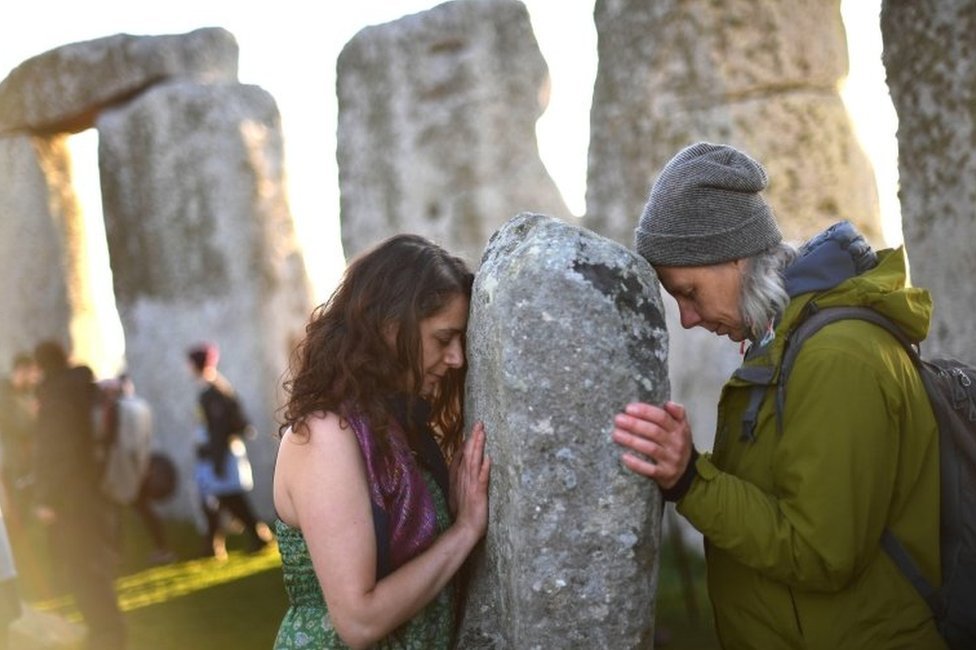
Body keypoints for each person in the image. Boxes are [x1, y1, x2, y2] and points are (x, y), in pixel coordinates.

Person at [611, 142, 945, 648]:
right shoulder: (784, 348)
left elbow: (821, 552)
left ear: (733, 257)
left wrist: (691, 481)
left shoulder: (837, 359)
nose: (688, 318)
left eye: (688, 292)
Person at [272, 233, 491, 649]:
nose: (456, 358)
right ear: (390, 329)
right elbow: (360, 621)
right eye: (443, 339)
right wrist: (464, 530)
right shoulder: (326, 436)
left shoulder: (395, 428)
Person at [32, 340, 126, 650]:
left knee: (83, 569)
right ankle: (107, 631)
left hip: (73, 497)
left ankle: (106, 635)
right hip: (96, 489)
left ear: (40, 366)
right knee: (93, 565)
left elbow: (57, 451)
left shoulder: (57, 396)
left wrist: (46, 498)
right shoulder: (84, 388)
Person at [186, 342, 272, 558]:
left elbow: (219, 430)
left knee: (230, 499)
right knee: (217, 500)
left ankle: (257, 536)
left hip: (221, 455)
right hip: (216, 455)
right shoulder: (213, 388)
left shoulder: (213, 392)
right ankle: (215, 545)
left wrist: (217, 461)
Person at [96, 374, 176, 565]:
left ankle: (117, 554)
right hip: (137, 465)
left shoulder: (123, 409)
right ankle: (159, 549)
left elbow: (123, 441)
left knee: (122, 510)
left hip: (126, 468)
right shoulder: (139, 406)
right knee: (136, 510)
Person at [0, 352, 39, 533]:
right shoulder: (5, 396)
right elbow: (16, 426)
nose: (33, 378)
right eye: (30, 373)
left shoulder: (24, 394)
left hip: (22, 458)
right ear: (20, 371)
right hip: (11, 460)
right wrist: (34, 416)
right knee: (16, 506)